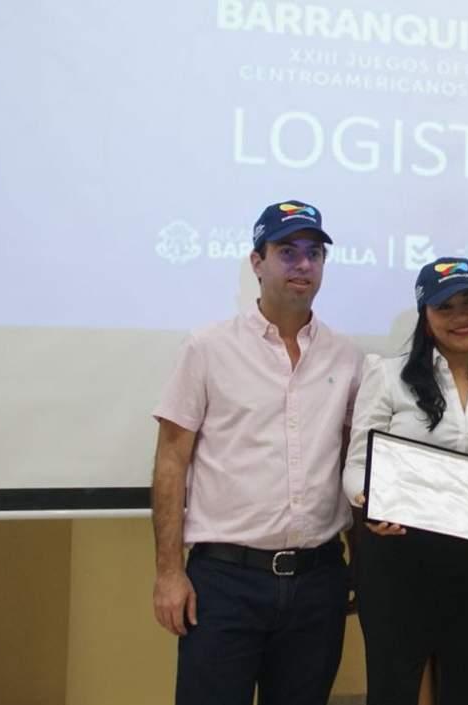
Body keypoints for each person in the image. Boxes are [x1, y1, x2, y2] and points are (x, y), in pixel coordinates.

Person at [151, 200, 361, 705]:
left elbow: (358, 467)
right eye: (286, 251)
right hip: (224, 583)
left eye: (313, 253)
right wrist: (168, 572)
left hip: (318, 582)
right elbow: (171, 461)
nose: (302, 265)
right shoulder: (207, 348)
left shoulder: (348, 357)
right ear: (256, 262)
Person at [342, 256, 468, 705]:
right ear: (425, 316)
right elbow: (356, 464)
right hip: (396, 563)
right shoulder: (387, 376)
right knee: (393, 692)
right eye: (445, 307)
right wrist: (368, 502)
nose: (461, 317)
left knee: (466, 690)